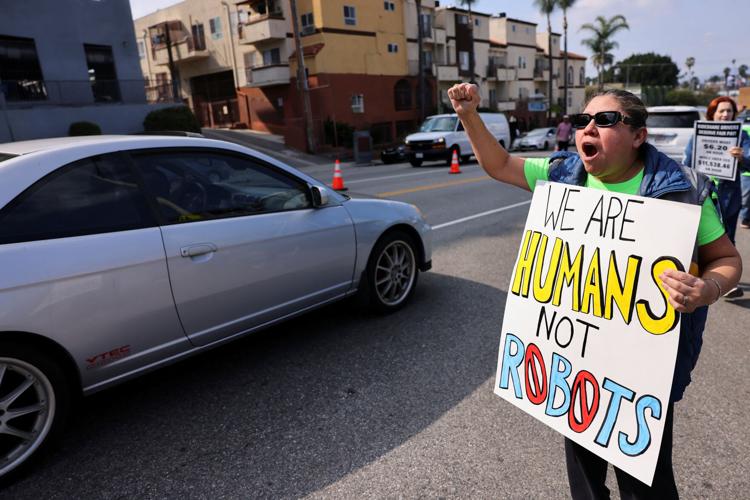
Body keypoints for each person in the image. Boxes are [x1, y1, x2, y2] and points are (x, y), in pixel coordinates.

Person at [447, 83, 742, 499]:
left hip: (642, 377)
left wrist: (708, 288)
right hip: (575, 371)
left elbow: (727, 259)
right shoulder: (564, 174)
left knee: (645, 482)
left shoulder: (682, 189)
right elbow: (499, 164)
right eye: (583, 120)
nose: (589, 128)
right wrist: (468, 115)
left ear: (638, 136)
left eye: (605, 120)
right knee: (583, 477)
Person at [683, 96, 750, 299]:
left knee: (727, 237)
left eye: (729, 111)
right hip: (703, 194)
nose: (725, 115)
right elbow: (687, 161)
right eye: (721, 111)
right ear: (713, 113)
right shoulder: (698, 134)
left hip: (730, 194)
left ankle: (727, 281)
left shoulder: (741, 136)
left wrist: (742, 158)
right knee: (697, 236)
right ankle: (695, 272)